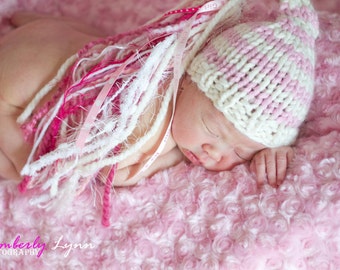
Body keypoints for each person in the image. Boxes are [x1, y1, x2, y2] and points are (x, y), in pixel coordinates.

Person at [0, 0, 318, 225]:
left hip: (53, 39)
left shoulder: (155, 62)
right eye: (212, 129)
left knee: (97, 43)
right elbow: (116, 173)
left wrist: (271, 152)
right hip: (13, 88)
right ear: (188, 80)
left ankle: (35, 25)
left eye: (239, 152)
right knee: (21, 168)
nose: (215, 153)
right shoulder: (141, 120)